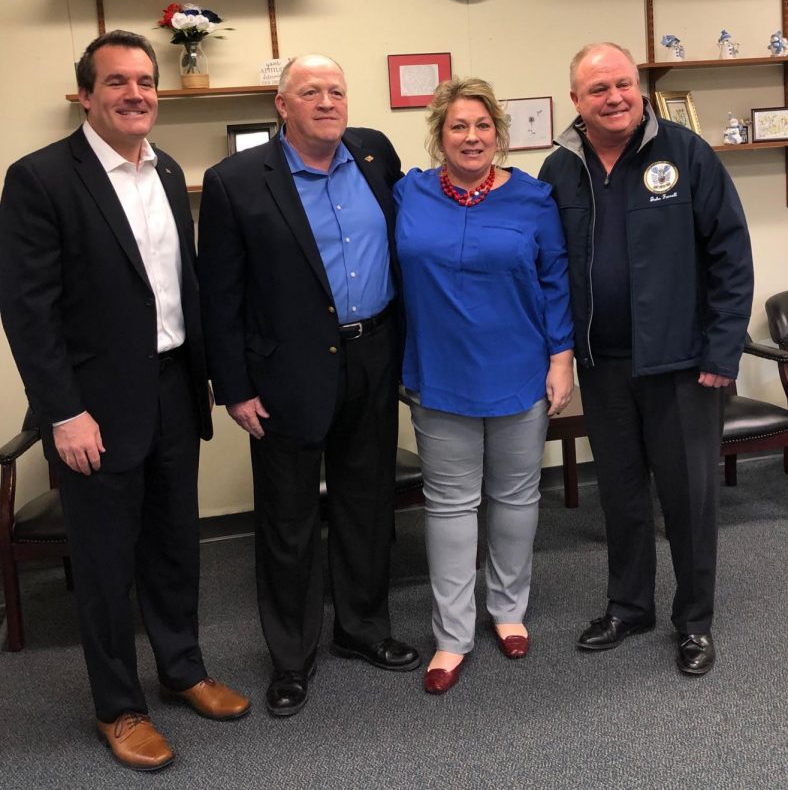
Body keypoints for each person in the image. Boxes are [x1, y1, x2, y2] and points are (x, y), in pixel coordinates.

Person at [0, 31, 249, 771]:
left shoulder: (168, 170)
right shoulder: (41, 178)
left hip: (174, 389)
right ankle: (118, 707)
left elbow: (177, 285)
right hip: (94, 407)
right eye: (117, 83)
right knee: (106, 563)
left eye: (145, 81)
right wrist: (61, 411)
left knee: (176, 544)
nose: (136, 94)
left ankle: (183, 670)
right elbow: (28, 309)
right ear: (87, 94)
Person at [198, 54, 420, 718]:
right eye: (310, 92)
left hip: (373, 356)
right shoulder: (236, 181)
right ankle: (291, 659)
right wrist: (233, 387)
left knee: (365, 504)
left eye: (337, 90)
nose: (327, 101)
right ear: (282, 106)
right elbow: (220, 295)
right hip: (286, 374)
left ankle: (362, 629)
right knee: (289, 523)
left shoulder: (376, 155)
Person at [539, 42, 753, 676]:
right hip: (602, 365)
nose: (615, 97)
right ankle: (629, 606)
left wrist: (722, 351)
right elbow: (551, 267)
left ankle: (694, 623)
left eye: (624, 84)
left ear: (639, 89)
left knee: (689, 498)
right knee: (623, 495)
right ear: (576, 100)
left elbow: (731, 257)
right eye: (599, 88)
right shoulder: (560, 170)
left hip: (683, 366)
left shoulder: (686, 154)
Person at [394, 77, 575, 694]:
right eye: (457, 126)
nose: (471, 137)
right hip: (439, 375)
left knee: (517, 497)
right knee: (449, 506)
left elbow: (555, 279)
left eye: (482, 126)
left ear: (498, 134)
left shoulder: (533, 198)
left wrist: (561, 358)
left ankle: (508, 608)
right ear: (439, 135)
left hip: (519, 370)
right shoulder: (407, 193)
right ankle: (451, 635)